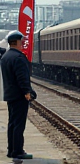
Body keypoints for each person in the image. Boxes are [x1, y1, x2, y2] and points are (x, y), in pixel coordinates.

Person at [0, 30, 36, 161]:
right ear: (16, 42)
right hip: (19, 96)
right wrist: (27, 92)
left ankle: (11, 150)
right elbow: (22, 78)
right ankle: (18, 151)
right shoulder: (19, 58)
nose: (23, 44)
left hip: (10, 95)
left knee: (12, 124)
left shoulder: (6, 57)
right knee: (19, 125)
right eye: (21, 41)